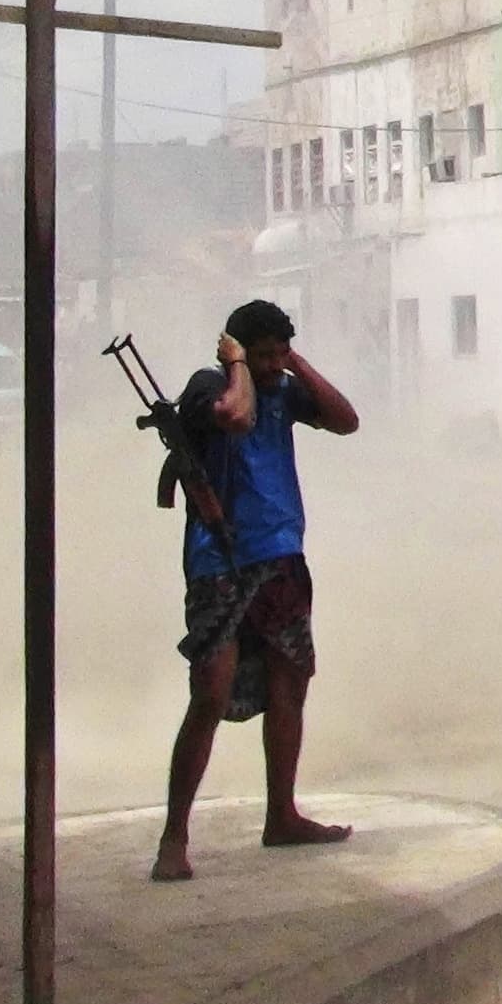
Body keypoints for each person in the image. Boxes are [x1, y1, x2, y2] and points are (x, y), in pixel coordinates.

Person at [152, 298, 360, 884]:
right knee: (210, 694)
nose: (273, 367)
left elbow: (346, 420)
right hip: (219, 563)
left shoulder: (284, 389)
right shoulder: (209, 387)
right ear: (237, 350)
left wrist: (296, 363)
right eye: (262, 354)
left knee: (290, 681)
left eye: (278, 354)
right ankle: (174, 836)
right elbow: (235, 417)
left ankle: (282, 815)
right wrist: (239, 365)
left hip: (281, 558)